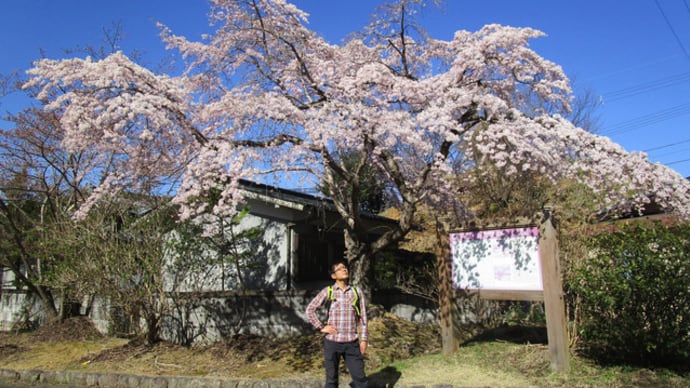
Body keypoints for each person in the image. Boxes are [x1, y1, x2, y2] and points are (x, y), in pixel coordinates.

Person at [306, 260, 368, 388]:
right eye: (340, 269)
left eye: (345, 267)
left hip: (352, 342)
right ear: (333, 276)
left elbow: (363, 318)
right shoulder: (328, 291)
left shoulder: (356, 292)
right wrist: (321, 327)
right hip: (332, 342)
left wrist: (364, 340)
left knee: (360, 378)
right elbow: (310, 309)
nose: (344, 270)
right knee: (331, 380)